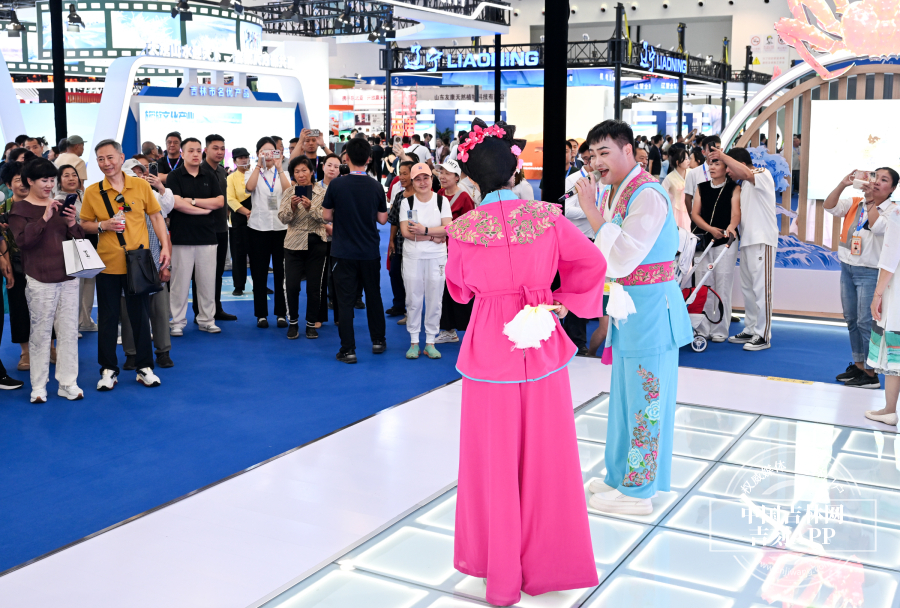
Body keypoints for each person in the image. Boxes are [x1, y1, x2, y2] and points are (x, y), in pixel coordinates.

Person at [446, 119, 605, 606]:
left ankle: (498, 568)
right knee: (547, 456)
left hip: (489, 348)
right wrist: (562, 301)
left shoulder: (463, 229)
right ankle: (548, 564)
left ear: (471, 179)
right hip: (540, 340)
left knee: (491, 458)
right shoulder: (547, 217)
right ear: (516, 172)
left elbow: (459, 290)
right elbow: (591, 264)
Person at [574, 119, 692, 516]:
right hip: (629, 307)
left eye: (604, 152)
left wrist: (592, 212)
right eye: (592, 155)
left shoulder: (648, 194)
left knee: (645, 398)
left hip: (651, 309)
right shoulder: (618, 190)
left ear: (628, 151)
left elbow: (622, 255)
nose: (596, 162)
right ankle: (619, 476)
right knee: (626, 398)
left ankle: (639, 490)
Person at [80, 139, 171, 390]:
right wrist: (103, 225)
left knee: (140, 317)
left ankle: (144, 368)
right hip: (107, 264)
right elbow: (84, 224)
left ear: (121, 158)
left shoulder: (140, 186)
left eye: (110, 157)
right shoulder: (93, 192)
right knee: (108, 319)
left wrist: (165, 246)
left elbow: (156, 216)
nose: (106, 163)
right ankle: (108, 369)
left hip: (137, 262)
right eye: (101, 159)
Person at [9, 158, 84, 402]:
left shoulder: (61, 205)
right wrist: (44, 217)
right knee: (41, 333)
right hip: (39, 279)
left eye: (52, 180)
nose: (49, 184)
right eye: (44, 180)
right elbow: (24, 242)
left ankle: (68, 382)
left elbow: (79, 238)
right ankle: (39, 385)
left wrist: (72, 223)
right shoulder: (19, 210)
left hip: (69, 277)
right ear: (30, 181)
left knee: (68, 332)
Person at [824, 168, 898, 388]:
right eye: (875, 177)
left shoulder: (893, 211)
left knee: (866, 322)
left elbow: (876, 227)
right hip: (847, 267)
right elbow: (829, 206)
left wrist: (871, 200)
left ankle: (871, 373)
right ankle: (859, 366)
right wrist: (843, 183)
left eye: (884, 180)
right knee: (851, 320)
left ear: (893, 188)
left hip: (870, 271)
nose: (876, 182)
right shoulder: (856, 203)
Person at [321, 137, 388, 364]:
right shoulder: (376, 186)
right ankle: (378, 340)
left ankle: (348, 350)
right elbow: (382, 219)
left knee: (345, 300)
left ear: (346, 157)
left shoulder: (336, 185)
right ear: (369, 158)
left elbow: (326, 216)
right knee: (373, 295)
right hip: (369, 251)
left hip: (343, 251)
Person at [707, 147, 778, 351]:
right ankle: (751, 328)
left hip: (762, 241)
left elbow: (746, 173)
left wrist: (722, 156)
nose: (727, 171)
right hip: (747, 242)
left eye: (729, 167)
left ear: (740, 164)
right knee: (748, 289)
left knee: (762, 289)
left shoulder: (761, 173)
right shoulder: (744, 185)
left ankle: (763, 335)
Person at [119, 158, 175, 369]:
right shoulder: (118, 202)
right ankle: (131, 354)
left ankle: (163, 351)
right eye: (133, 174)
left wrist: (166, 266)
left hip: (154, 264)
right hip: (127, 265)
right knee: (128, 314)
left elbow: (165, 236)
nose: (139, 178)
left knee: (159, 311)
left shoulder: (153, 199)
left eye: (141, 174)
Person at [165, 137, 224, 335]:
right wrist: (203, 209)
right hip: (181, 238)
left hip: (207, 237)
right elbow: (176, 203)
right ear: (182, 154)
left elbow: (219, 202)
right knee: (179, 283)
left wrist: (191, 201)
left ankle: (207, 320)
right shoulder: (174, 176)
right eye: (191, 150)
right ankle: (177, 322)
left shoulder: (209, 175)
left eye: (199, 150)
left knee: (207, 282)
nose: (196, 154)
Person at [398, 163, 452, 359]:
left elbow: (448, 228)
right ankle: (414, 341)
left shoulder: (442, 201)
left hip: (437, 257)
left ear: (432, 179)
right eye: (418, 179)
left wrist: (425, 231)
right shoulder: (407, 203)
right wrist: (433, 236)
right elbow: (406, 232)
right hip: (413, 256)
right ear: (412, 182)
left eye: (426, 178)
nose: (422, 182)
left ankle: (430, 341)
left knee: (435, 299)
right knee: (413, 299)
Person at [690, 156, 741, 342]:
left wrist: (731, 227)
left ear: (726, 167)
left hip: (726, 242)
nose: (712, 167)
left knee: (723, 285)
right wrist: (711, 229)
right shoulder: (701, 187)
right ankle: (701, 327)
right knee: (702, 285)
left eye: (717, 164)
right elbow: (695, 214)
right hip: (703, 241)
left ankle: (720, 329)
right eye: (710, 164)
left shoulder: (734, 188)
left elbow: (736, 214)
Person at [279, 156, 330, 339]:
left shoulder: (323, 193)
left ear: (312, 172)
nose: (301, 175)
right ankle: (293, 322)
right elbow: (282, 218)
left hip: (317, 243)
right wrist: (292, 208)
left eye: (304, 170)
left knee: (314, 287)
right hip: (293, 243)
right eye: (297, 171)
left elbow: (326, 217)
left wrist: (311, 208)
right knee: (292, 286)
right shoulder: (289, 192)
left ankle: (311, 324)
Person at [1, 158, 40, 371]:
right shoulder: (2, 209)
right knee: (19, 308)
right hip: (15, 265)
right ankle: (25, 352)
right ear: (8, 184)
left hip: (42, 263)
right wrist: (5, 261)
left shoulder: (42, 203)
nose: (23, 184)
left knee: (47, 306)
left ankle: (50, 347)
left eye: (25, 179)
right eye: (17, 180)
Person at [245, 136, 289, 328]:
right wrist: (258, 165)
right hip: (258, 228)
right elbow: (249, 188)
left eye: (272, 150)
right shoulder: (251, 172)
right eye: (264, 151)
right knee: (259, 273)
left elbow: (289, 192)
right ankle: (261, 315)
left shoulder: (283, 172)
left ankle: (281, 313)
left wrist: (280, 168)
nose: (269, 154)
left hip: (281, 228)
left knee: (281, 273)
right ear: (258, 153)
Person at [191, 134, 235, 323]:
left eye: (222, 148)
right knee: (201, 274)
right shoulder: (199, 171)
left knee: (217, 273)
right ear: (206, 150)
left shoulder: (222, 171)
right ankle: (199, 311)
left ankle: (216, 308)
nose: (219, 152)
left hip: (222, 229)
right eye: (215, 148)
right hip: (204, 230)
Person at [433, 159, 475, 345]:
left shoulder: (464, 198)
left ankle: (469, 330)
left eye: (447, 173)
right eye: (441, 172)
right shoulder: (439, 194)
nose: (442, 176)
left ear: (457, 177)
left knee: (458, 291)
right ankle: (448, 329)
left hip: (456, 254)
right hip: (438, 250)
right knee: (441, 291)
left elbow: (470, 227)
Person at [867, 197, 900, 425]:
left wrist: (877, 294)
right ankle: (888, 410)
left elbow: (890, 259)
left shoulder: (897, 214)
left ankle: (889, 409)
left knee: (894, 352)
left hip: (896, 293)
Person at [57, 163, 99, 333]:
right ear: (59, 180)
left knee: (88, 285)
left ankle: (85, 321)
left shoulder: (84, 194)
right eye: (66, 175)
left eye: (74, 175)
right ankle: (72, 325)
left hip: (90, 243)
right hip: (72, 245)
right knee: (74, 287)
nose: (71, 178)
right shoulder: (59, 200)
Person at [386, 161, 415, 322]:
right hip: (399, 243)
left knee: (412, 277)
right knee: (395, 272)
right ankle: (399, 304)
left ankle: (412, 309)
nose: (401, 177)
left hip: (416, 243)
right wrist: (391, 241)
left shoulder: (422, 196)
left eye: (405, 174)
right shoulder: (399, 196)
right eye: (400, 174)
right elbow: (394, 221)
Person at [226, 147, 252, 296]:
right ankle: (238, 286)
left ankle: (259, 285)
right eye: (240, 158)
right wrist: (247, 212)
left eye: (245, 157)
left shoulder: (255, 174)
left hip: (256, 219)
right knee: (238, 255)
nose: (243, 160)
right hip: (238, 219)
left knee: (257, 255)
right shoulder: (230, 178)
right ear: (235, 161)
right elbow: (230, 199)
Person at [683, 135, 720, 215]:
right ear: (703, 152)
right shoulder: (694, 173)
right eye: (711, 149)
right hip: (700, 217)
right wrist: (693, 216)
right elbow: (688, 199)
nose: (715, 152)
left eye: (717, 148)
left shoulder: (726, 172)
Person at [662, 147, 692, 231]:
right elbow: (662, 195)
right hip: (676, 210)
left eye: (688, 158)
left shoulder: (691, 172)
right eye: (685, 159)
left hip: (690, 208)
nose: (688, 161)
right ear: (678, 162)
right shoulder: (669, 178)